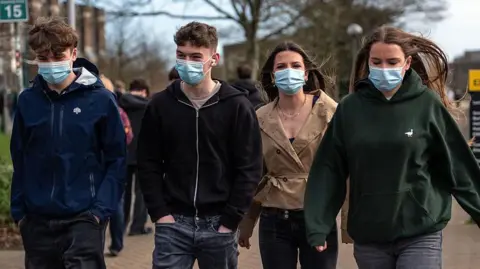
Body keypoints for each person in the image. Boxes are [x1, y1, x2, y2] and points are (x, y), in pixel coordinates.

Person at [304, 26, 480, 269]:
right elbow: (328, 168)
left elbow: (458, 165)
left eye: (392, 61)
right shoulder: (350, 108)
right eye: (377, 62)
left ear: (407, 63)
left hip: (421, 230)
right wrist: (318, 224)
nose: (384, 69)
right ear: (368, 62)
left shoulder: (427, 104)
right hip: (370, 234)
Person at [137, 21, 263, 269]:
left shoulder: (237, 107)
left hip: (219, 225)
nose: (187, 62)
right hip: (173, 224)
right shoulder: (160, 105)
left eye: (196, 56)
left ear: (213, 58)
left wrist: (231, 219)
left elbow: (249, 167)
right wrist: (160, 213)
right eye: (181, 55)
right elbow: (148, 162)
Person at [9, 17, 126, 269]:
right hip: (37, 220)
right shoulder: (27, 101)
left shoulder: (102, 101)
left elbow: (117, 159)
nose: (50, 63)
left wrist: (99, 210)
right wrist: (20, 212)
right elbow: (20, 156)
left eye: (57, 55)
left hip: (84, 218)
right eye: (43, 57)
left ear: (73, 54)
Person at [237, 41, 339, 269]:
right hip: (274, 219)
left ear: (305, 74)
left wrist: (344, 222)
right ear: (272, 76)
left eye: (295, 65)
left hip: (317, 217)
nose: (289, 71)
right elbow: (255, 172)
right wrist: (247, 220)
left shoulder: (331, 112)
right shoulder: (259, 117)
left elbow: (345, 169)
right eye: (281, 67)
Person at [100, 74, 133, 256]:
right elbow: (128, 136)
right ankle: (117, 244)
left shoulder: (92, 110)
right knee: (116, 204)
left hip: (97, 164)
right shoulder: (119, 112)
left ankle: (98, 245)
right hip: (116, 163)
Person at [118, 78, 152, 236]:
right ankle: (137, 226)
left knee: (123, 192)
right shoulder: (149, 106)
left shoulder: (119, 102)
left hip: (122, 152)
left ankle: (121, 224)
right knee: (141, 192)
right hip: (144, 153)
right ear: (144, 91)